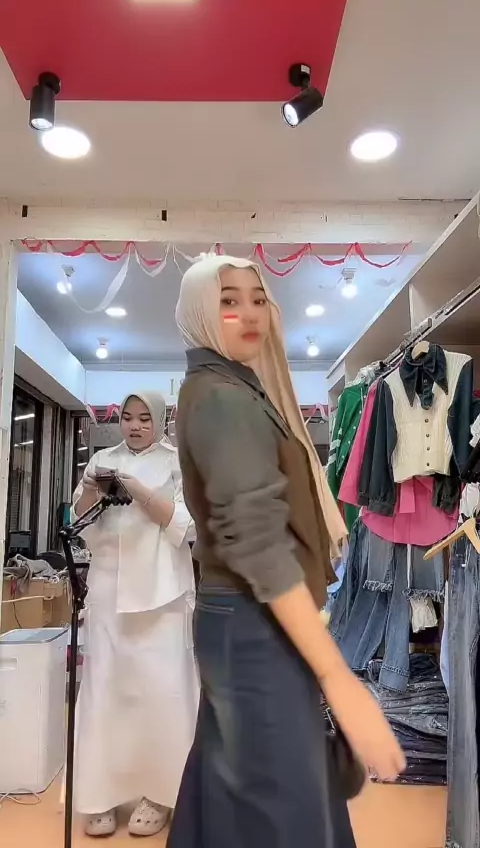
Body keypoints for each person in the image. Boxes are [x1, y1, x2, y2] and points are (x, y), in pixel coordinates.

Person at [167, 255, 406, 848]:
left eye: (258, 298)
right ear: (200, 312)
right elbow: (259, 543)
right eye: (227, 301)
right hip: (253, 620)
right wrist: (340, 680)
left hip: (245, 619)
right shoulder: (223, 399)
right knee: (282, 807)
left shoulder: (232, 388)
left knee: (242, 798)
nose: (249, 313)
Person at [72, 392, 199, 838]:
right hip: (109, 591)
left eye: (145, 418)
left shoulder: (177, 462)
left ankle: (160, 794)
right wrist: (93, 487)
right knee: (104, 690)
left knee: (162, 692)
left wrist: (141, 493)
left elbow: (189, 526)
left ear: (160, 420)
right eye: (128, 418)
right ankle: (101, 794)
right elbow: (80, 520)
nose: (136, 425)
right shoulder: (103, 459)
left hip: (162, 595)